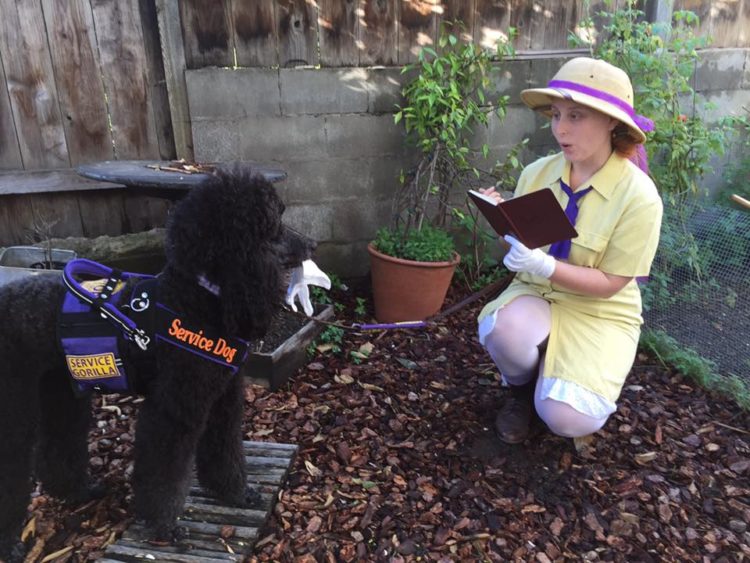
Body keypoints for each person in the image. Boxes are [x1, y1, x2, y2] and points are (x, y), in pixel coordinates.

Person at [477, 57, 663, 444]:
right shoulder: (538, 173)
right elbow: (524, 242)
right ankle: (521, 391)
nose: (560, 128)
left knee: (568, 420)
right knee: (503, 331)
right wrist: (502, 220)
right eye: (556, 114)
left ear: (612, 121)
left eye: (576, 116)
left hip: (600, 311)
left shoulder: (639, 197)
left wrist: (543, 264)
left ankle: (555, 384)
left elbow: (612, 282)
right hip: (537, 294)